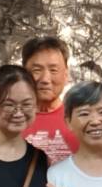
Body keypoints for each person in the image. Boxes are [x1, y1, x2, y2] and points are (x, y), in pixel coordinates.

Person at [21, 36, 76, 164]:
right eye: (37, 70)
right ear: (23, 73)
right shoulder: (7, 118)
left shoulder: (81, 119)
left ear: (66, 74)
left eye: (53, 70)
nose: (45, 79)